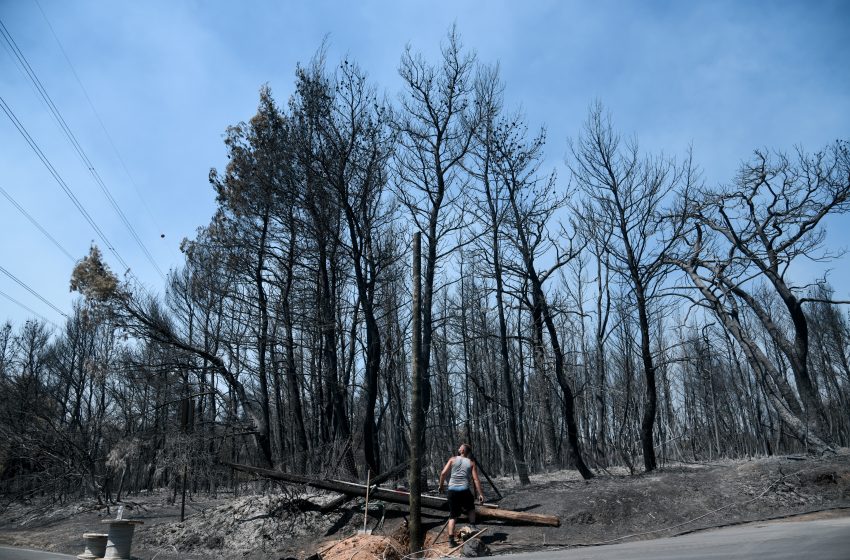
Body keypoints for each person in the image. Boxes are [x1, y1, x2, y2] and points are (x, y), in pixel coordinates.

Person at [438, 443, 484, 545]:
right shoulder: (471, 463)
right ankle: (472, 525)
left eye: (460, 447)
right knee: (471, 508)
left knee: (453, 516)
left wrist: (441, 486)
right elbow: (476, 480)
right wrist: (481, 494)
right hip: (464, 490)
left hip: (452, 490)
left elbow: (443, 473)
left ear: (463, 450)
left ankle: (451, 541)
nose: (458, 448)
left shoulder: (452, 459)